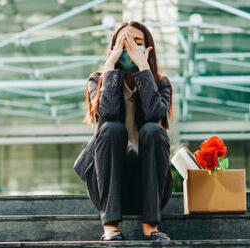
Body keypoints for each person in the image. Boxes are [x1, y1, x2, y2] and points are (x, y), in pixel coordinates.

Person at [73, 21, 174, 241]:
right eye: (123, 42)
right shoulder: (97, 80)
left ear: (148, 49)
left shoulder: (161, 83)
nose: (129, 47)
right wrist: (110, 67)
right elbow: (107, 114)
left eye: (136, 43)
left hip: (149, 184)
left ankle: (151, 227)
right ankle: (110, 227)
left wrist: (143, 69)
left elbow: (155, 116)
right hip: (107, 183)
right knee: (111, 128)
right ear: (114, 47)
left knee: (152, 130)